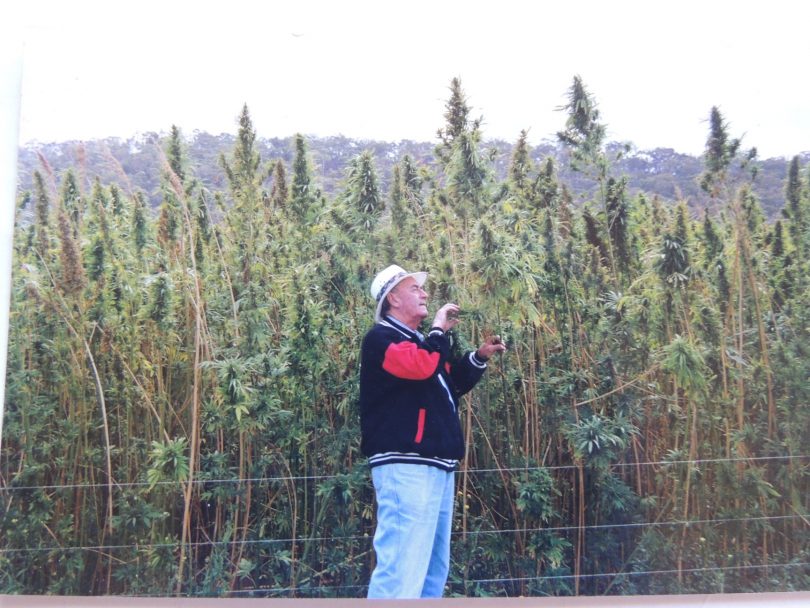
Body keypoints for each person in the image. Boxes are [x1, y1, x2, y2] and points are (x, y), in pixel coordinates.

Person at [359, 264, 506, 598]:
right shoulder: (381, 338)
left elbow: (447, 381)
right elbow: (422, 367)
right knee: (401, 566)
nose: (425, 293)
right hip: (405, 465)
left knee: (431, 570)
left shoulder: (420, 343)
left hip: (436, 466)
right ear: (393, 299)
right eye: (415, 289)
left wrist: (479, 356)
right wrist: (439, 328)